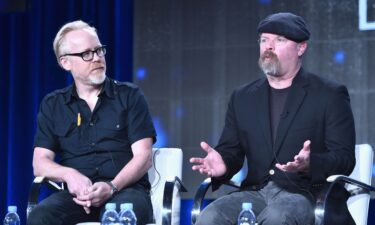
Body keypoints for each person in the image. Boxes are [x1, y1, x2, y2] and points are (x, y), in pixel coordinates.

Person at [190, 12, 356, 225]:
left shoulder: (329, 94)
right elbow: (231, 151)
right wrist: (223, 164)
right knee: (209, 216)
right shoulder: (242, 97)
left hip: (307, 194)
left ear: (301, 47)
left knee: (278, 216)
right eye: (264, 39)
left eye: (279, 40)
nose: (269, 46)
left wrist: (310, 163)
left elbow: (344, 159)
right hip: (256, 193)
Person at [28, 20, 156, 225]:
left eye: (99, 50)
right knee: (39, 216)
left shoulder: (129, 96)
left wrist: (112, 187)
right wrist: (69, 175)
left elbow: (144, 157)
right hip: (77, 197)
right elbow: (40, 163)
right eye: (87, 53)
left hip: (124, 191)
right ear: (65, 62)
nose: (97, 58)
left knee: (123, 216)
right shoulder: (53, 104)